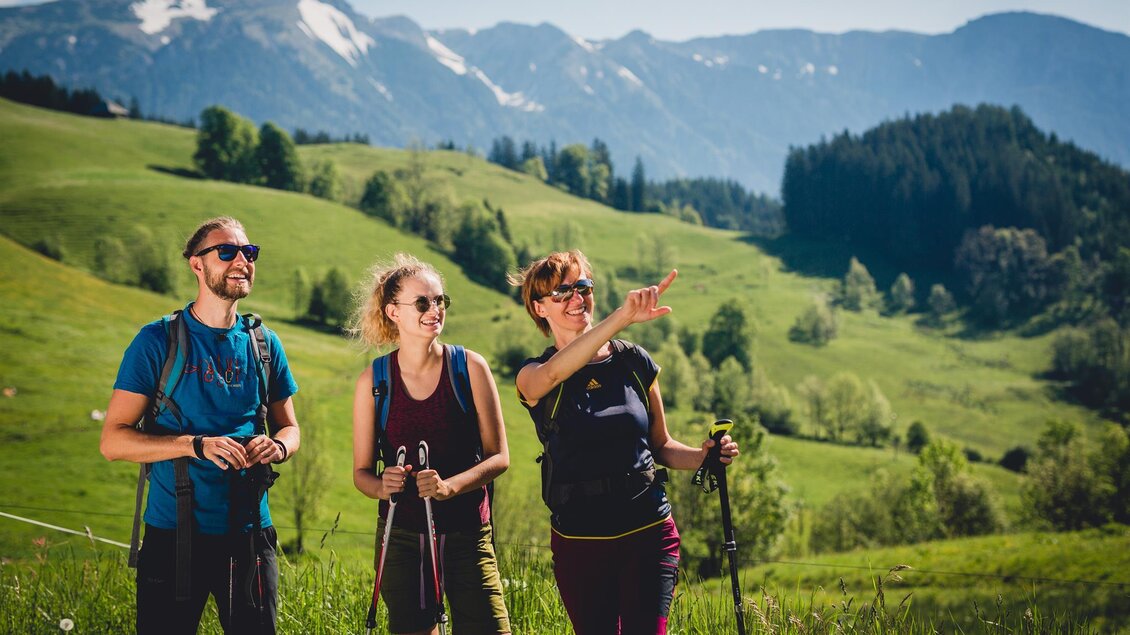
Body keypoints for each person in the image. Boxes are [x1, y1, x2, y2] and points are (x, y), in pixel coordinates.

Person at [512, 250, 739, 635]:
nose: (576, 299)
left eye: (582, 287)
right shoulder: (534, 376)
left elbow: (661, 446)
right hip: (580, 540)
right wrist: (621, 318)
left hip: (648, 530)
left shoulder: (634, 361)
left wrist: (703, 456)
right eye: (561, 292)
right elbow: (556, 372)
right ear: (539, 308)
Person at [100, 216, 300, 635]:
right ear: (197, 264)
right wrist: (195, 445)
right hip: (173, 535)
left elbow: (289, 429)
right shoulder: (157, 341)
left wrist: (278, 447)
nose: (242, 260)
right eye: (226, 251)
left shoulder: (265, 345)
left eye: (249, 252)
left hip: (251, 535)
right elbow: (113, 441)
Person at [351, 253, 511, 635]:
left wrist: (449, 487)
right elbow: (361, 473)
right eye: (422, 302)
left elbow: (500, 456)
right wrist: (380, 484)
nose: (434, 309)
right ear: (393, 312)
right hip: (401, 539)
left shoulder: (469, 368)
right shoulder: (373, 382)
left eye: (440, 301)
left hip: (468, 534)